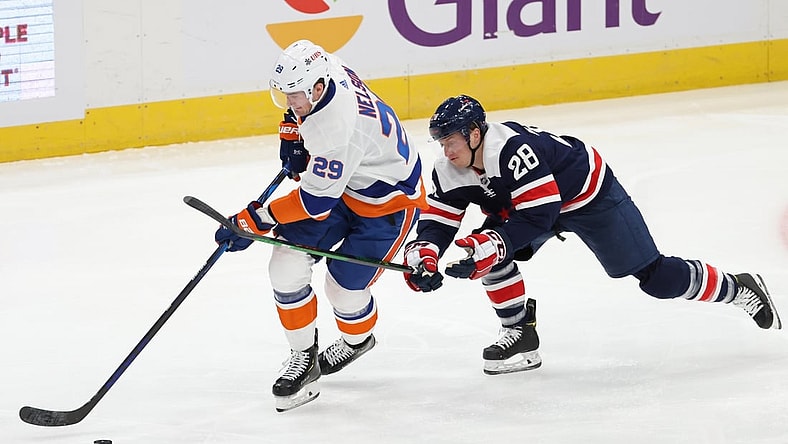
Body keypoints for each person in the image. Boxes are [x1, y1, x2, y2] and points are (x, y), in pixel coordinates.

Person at [402, 94, 782, 375]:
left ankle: (739, 287)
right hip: (530, 205)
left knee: (657, 278)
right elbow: (438, 221)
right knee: (487, 256)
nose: (445, 149)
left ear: (473, 133)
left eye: (451, 139)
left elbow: (540, 215)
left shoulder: (513, 151)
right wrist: (426, 252)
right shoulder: (448, 168)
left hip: (588, 195)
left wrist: (491, 242)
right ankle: (519, 333)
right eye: (441, 141)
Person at [215, 40, 428, 411]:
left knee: (342, 291)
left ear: (316, 88)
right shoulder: (326, 68)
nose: (289, 103)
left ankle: (357, 340)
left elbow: (314, 203)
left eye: (295, 97)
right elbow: (301, 123)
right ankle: (304, 358)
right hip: (346, 183)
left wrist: (254, 219)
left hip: (387, 203)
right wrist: (292, 132)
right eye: (285, 96)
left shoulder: (336, 130)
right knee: (284, 264)